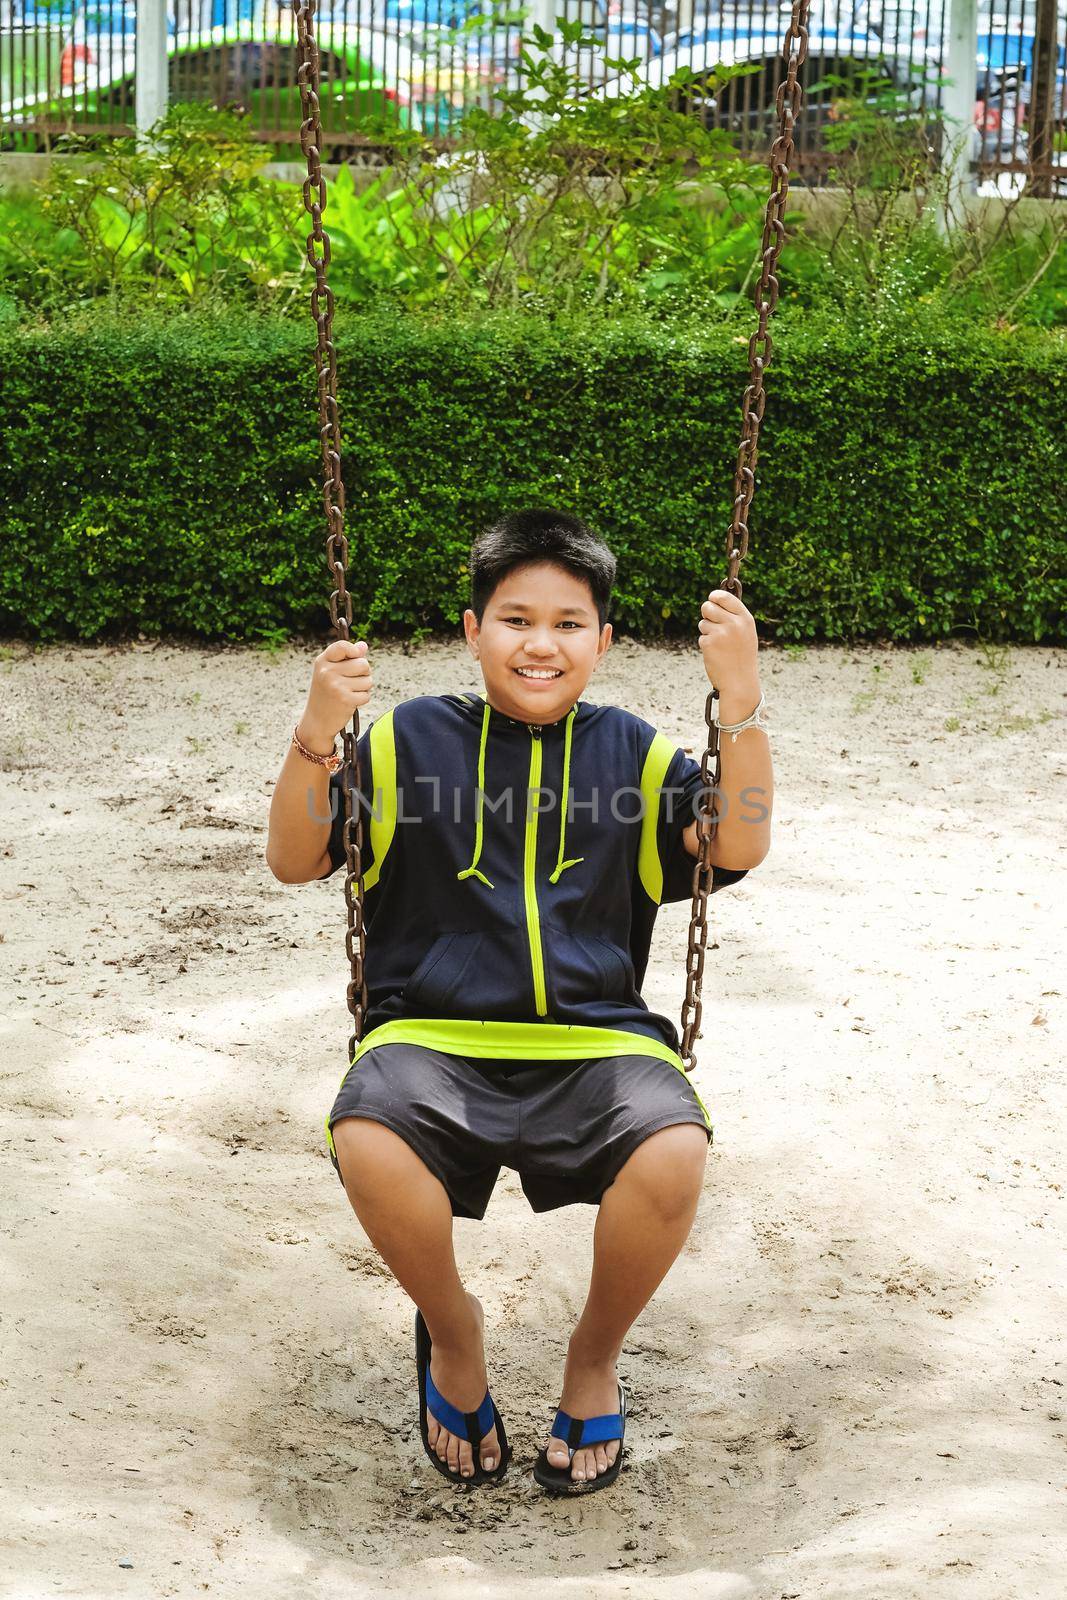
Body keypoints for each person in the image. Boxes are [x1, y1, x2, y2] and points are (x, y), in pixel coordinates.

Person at [265, 509, 773, 1495]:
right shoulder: (407, 739)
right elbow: (295, 857)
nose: (540, 643)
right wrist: (316, 732)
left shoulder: (636, 751)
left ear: (603, 641)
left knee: (673, 1147)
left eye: (568, 623)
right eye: (514, 618)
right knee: (366, 1132)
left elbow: (736, 842)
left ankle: (592, 1359)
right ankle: (453, 1333)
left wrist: (739, 704)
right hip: (428, 1035)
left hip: (596, 1040)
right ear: (471, 629)